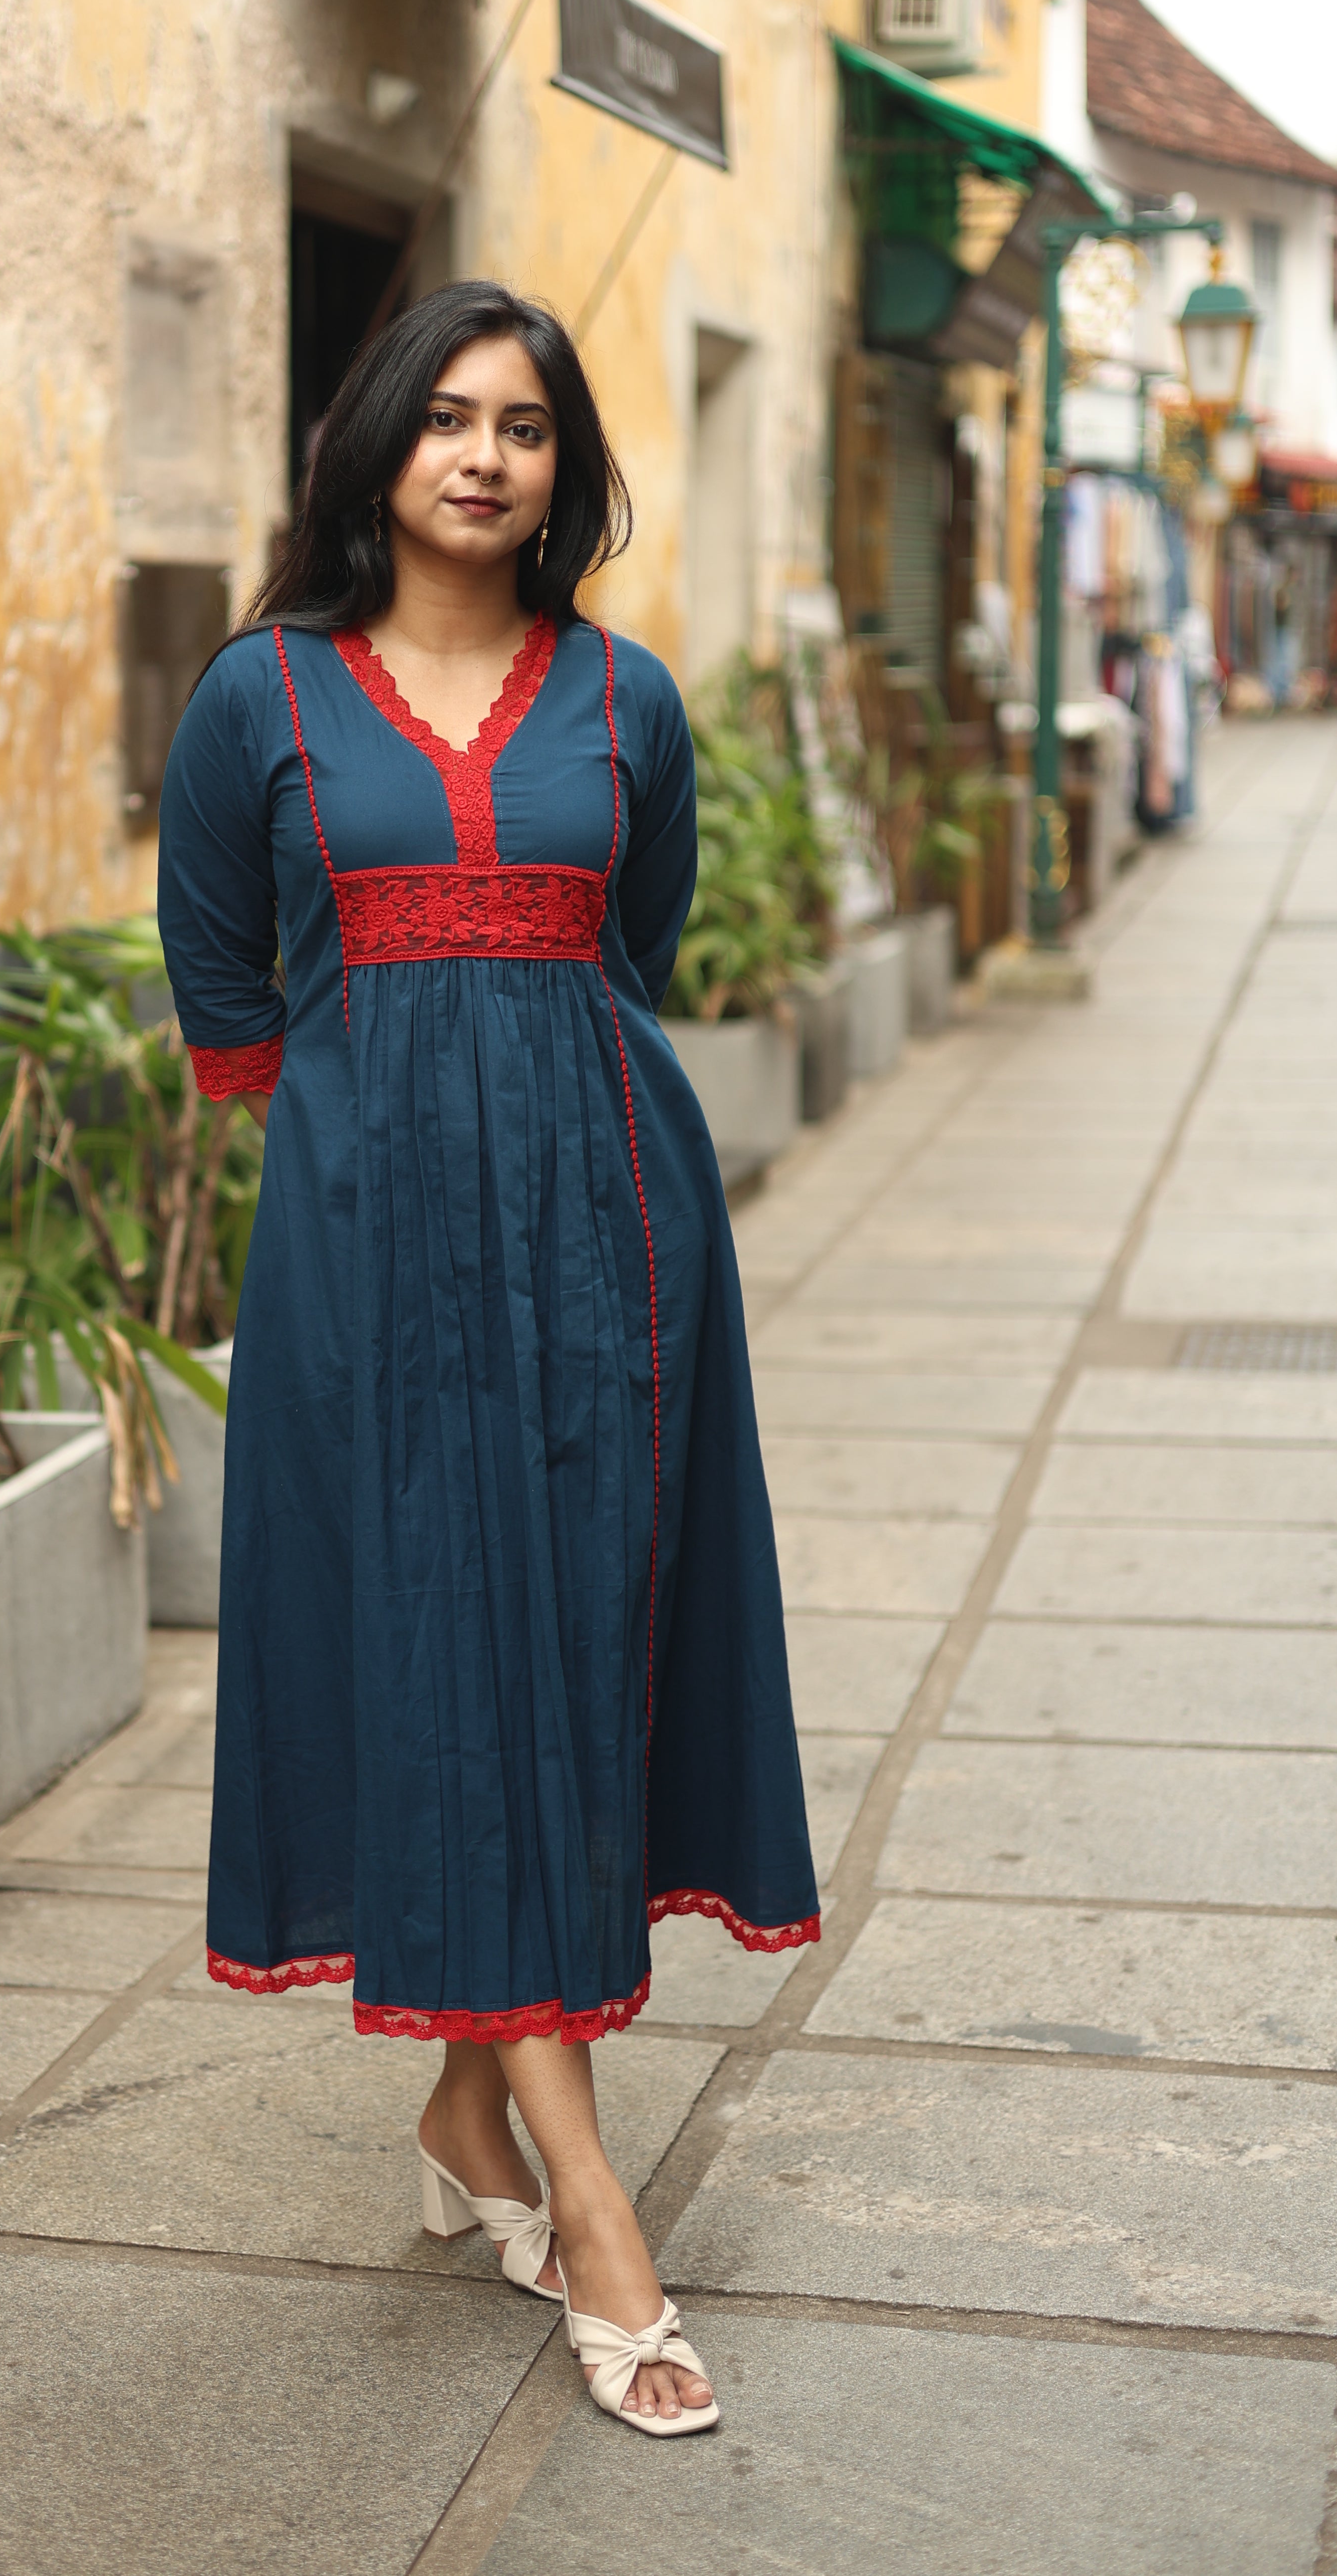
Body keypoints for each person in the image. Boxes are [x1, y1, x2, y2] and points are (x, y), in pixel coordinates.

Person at [158, 279, 817, 2436]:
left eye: (523, 427)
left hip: (609, 1244)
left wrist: (522, 1127)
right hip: (368, 1265)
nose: (480, 457)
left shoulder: (626, 700)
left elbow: (637, 950)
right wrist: (376, 1164)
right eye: (441, 419)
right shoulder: (259, 696)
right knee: (454, 1661)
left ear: (565, 470)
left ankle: (468, 2126)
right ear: (374, 450)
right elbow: (223, 987)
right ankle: (593, 2208)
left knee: (554, 1670)